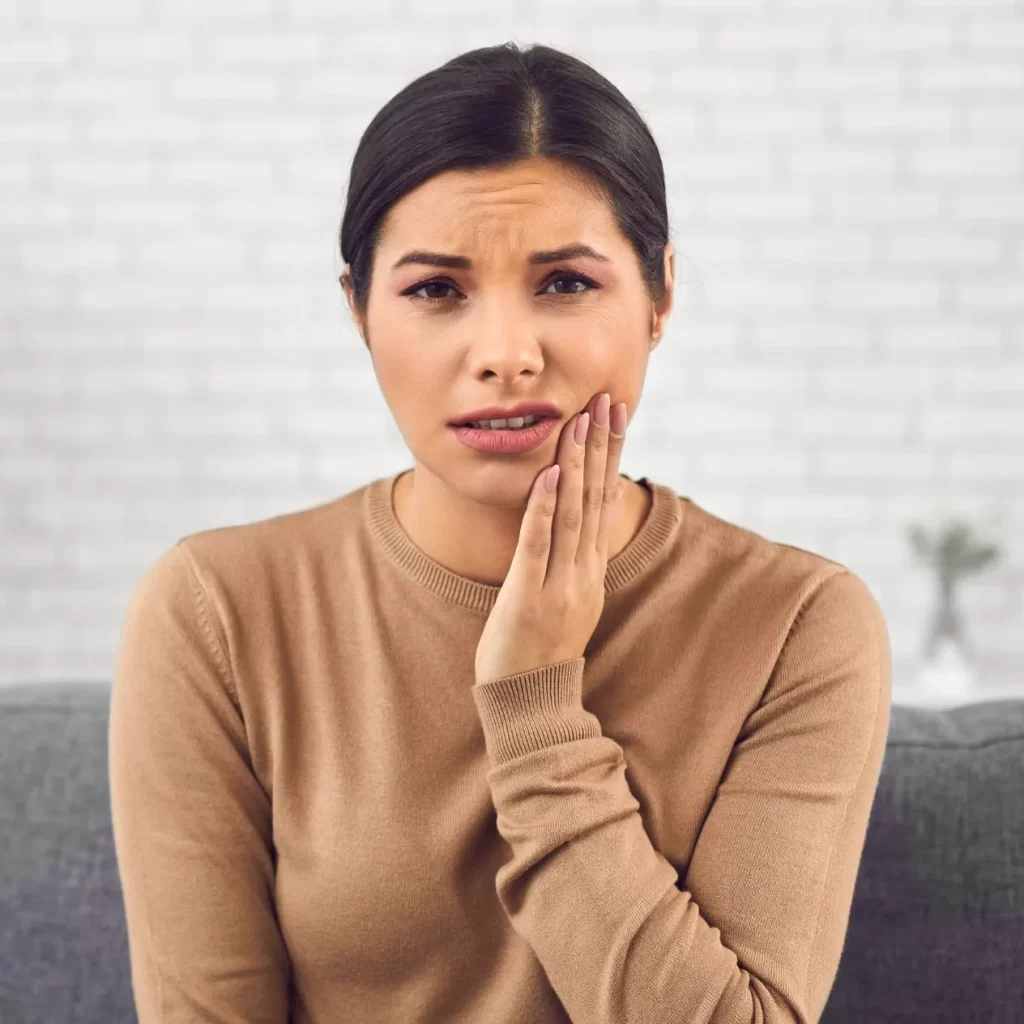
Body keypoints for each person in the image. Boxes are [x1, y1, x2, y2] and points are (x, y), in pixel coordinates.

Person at [109, 41, 892, 1024]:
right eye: (435, 289)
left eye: (564, 282)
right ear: (357, 310)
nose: (507, 356)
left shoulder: (795, 623)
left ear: (658, 298)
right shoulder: (215, 608)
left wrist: (534, 710)